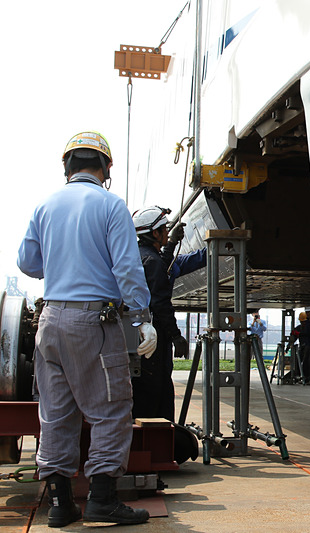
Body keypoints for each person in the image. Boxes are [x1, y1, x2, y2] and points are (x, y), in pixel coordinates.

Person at [17, 132, 155, 526]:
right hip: (94, 322)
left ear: (67, 166)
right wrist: (142, 318)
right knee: (111, 410)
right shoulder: (111, 205)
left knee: (56, 412)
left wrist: (63, 263)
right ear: (106, 168)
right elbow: (127, 268)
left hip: (50, 319)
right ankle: (102, 500)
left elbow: (28, 263)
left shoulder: (45, 206)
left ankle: (61, 505)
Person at [131, 206, 207, 422]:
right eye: (164, 229)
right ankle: (157, 440)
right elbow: (160, 303)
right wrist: (175, 336)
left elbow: (163, 267)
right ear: (154, 233)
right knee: (157, 388)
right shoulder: (153, 262)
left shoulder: (139, 256)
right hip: (154, 337)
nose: (166, 232)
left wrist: (172, 244)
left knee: (143, 389)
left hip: (137, 334)